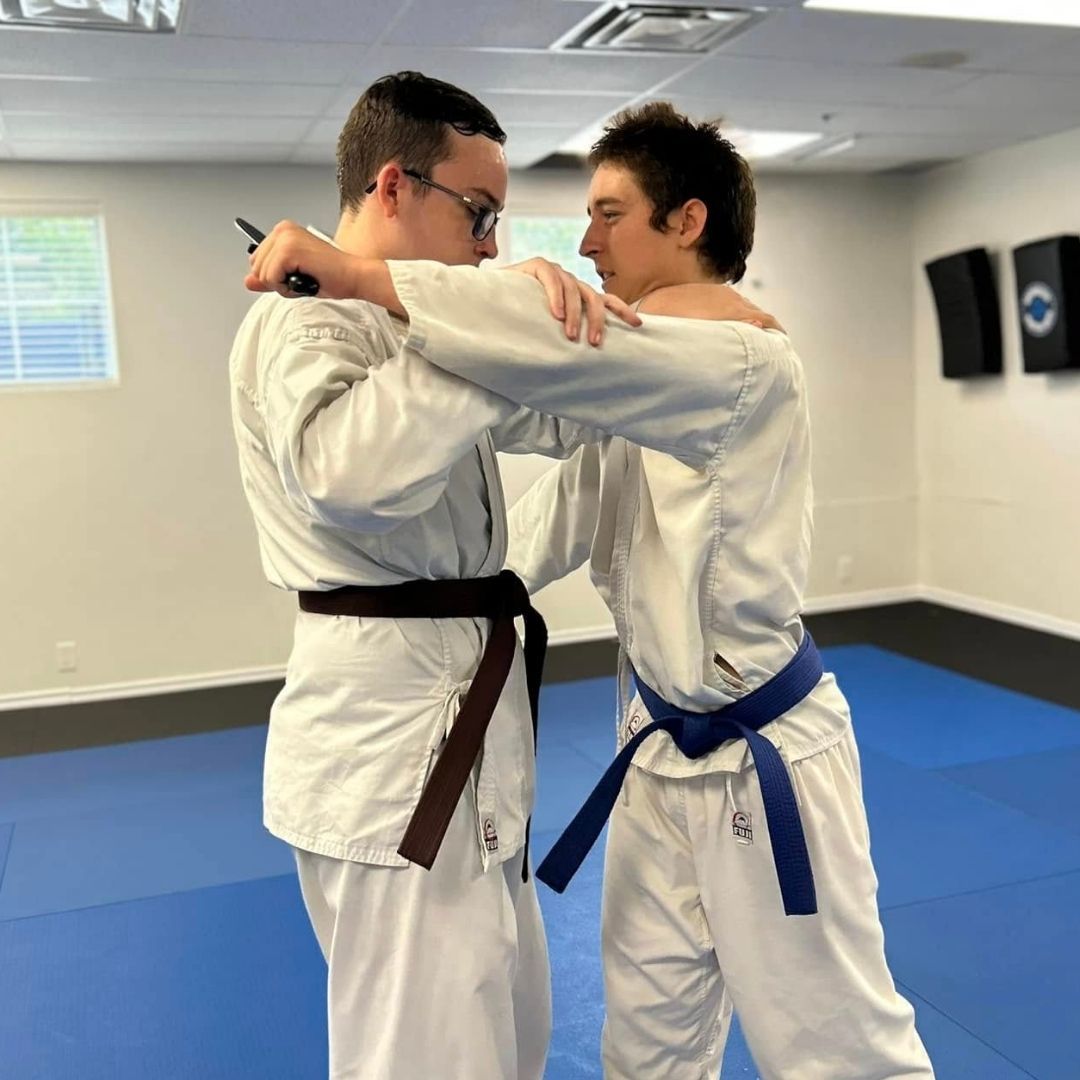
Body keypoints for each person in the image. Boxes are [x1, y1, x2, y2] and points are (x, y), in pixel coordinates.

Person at [245, 101, 935, 1079]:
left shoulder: (746, 360)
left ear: (685, 223)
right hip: (653, 750)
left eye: (610, 214)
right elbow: (532, 525)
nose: (582, 241)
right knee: (646, 1040)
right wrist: (420, 604)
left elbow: (571, 357)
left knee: (833, 1044)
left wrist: (363, 275)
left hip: (759, 753)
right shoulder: (620, 386)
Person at [228, 70, 659, 1080]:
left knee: (504, 1037)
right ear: (393, 186)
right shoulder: (307, 321)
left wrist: (610, 346)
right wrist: (478, 319)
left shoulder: (407, 327)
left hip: (463, 735)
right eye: (480, 213)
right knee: (424, 1059)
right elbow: (350, 475)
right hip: (391, 759)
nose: (492, 245)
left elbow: (550, 416)